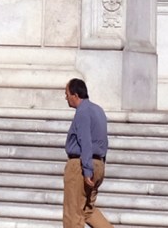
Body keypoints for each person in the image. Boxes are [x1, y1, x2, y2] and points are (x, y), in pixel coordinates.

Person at [62, 78, 112, 228]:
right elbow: (104, 140)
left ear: (75, 95)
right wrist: (99, 166)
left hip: (81, 165)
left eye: (67, 94)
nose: (66, 98)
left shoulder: (82, 112)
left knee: (73, 214)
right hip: (98, 163)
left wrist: (87, 169)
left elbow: (85, 140)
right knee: (87, 211)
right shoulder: (98, 110)